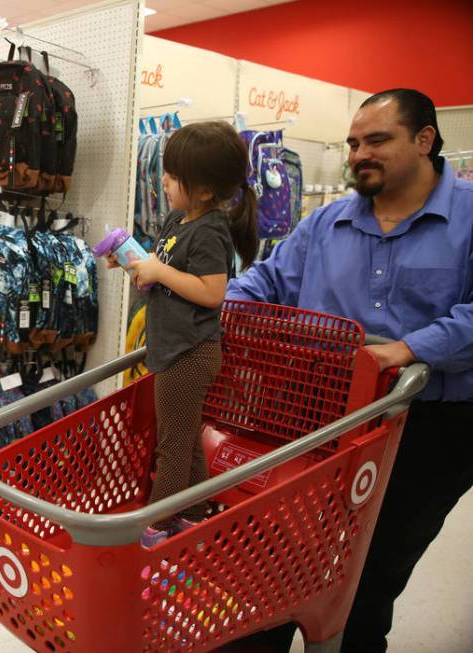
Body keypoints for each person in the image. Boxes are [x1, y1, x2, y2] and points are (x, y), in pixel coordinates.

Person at [225, 89, 473, 652]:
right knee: (276, 558)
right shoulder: (326, 223)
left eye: (378, 140)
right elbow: (263, 282)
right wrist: (225, 312)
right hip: (324, 419)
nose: (360, 153)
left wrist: (409, 348)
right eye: (354, 143)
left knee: (370, 575)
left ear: (425, 140)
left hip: (433, 429)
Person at [111, 121, 259, 546]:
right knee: (186, 437)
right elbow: (166, 273)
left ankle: (157, 526)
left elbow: (213, 293)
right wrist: (136, 264)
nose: (165, 180)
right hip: (173, 347)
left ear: (206, 190)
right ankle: (193, 513)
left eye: (174, 176)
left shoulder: (211, 230)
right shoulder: (178, 219)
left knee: (172, 445)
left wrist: (161, 271)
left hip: (191, 353)